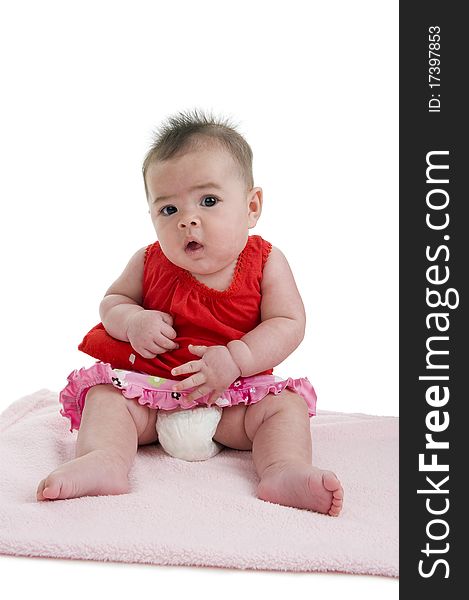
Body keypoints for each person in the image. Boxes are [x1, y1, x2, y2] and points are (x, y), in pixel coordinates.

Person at [36, 110, 343, 516]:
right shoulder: (147, 262)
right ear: (151, 216)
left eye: (209, 201)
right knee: (105, 398)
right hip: (150, 397)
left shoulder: (266, 261)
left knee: (284, 408)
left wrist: (238, 358)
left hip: (234, 403)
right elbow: (112, 301)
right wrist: (132, 321)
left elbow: (288, 323)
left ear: (252, 206)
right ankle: (104, 461)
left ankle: (283, 469)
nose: (188, 220)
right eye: (168, 210)